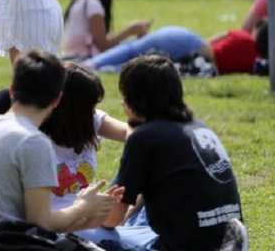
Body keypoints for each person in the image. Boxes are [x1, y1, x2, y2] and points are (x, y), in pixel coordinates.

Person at [0, 51, 117, 251]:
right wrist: (82, 207)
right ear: (57, 100)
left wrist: (84, 220)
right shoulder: (32, 142)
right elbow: (41, 225)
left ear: (12, 91)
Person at [91, 55, 244, 250]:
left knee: (83, 237)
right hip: (226, 234)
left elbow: (112, 220)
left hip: (181, 245)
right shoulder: (199, 127)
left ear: (133, 99)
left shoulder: (144, 137)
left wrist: (88, 207)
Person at [83, 22, 269, 75]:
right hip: (187, 45)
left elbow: (214, 40)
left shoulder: (243, 36)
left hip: (187, 39)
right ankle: (91, 66)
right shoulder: (254, 61)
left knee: (133, 49)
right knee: (136, 56)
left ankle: (89, 65)